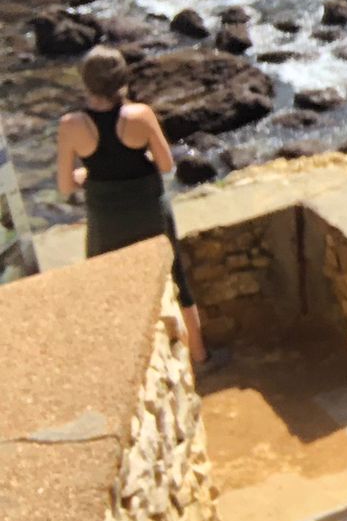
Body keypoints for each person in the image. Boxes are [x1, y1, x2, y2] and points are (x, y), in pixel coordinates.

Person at [55, 45, 222, 374]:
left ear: (86, 82)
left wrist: (88, 174)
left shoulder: (71, 125)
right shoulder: (140, 116)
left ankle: (128, 369)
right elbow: (166, 164)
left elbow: (65, 185)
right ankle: (200, 356)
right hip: (149, 211)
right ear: (122, 80)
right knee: (176, 280)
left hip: (106, 219)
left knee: (109, 289)